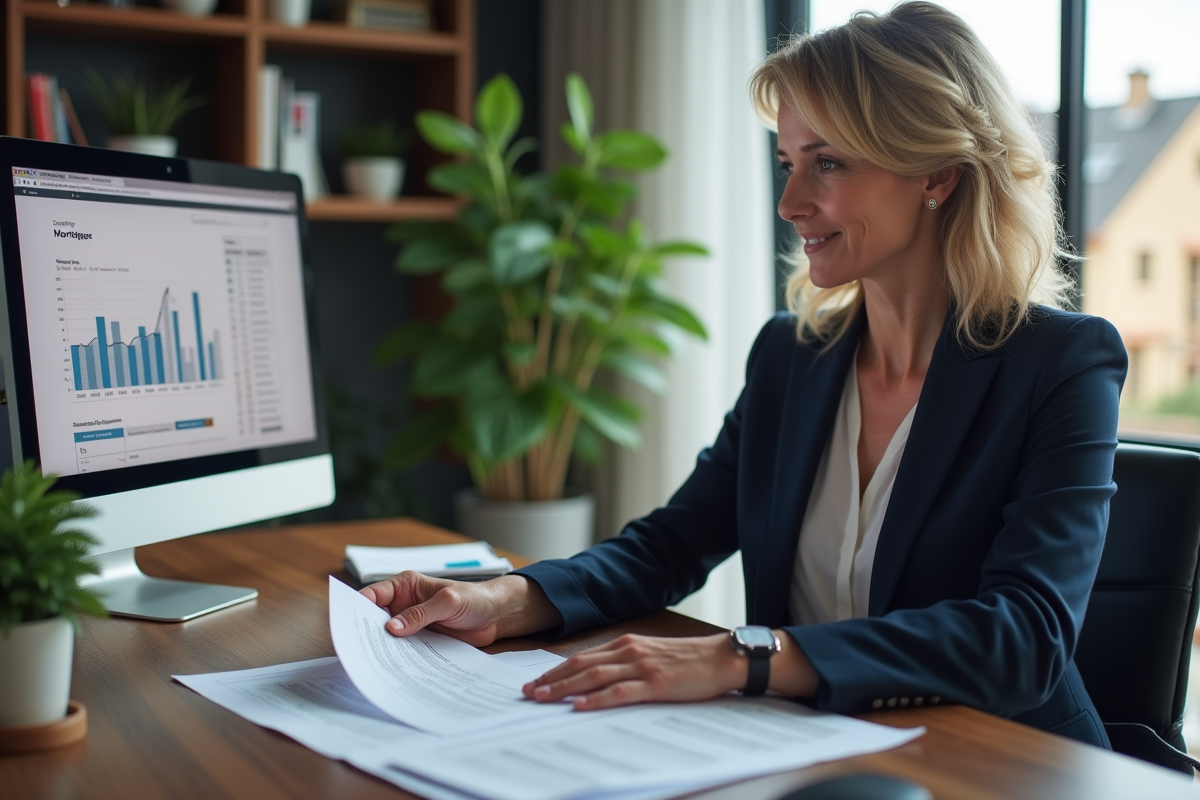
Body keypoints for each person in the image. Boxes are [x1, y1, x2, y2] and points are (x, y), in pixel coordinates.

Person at [361, 1, 1126, 748]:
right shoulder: (792, 356)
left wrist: (741, 656)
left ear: (937, 175)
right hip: (814, 748)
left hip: (1002, 761)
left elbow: (1025, 637)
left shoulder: (1063, 364)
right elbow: (669, 545)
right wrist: (502, 598)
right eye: (789, 163)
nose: (791, 202)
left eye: (827, 163)